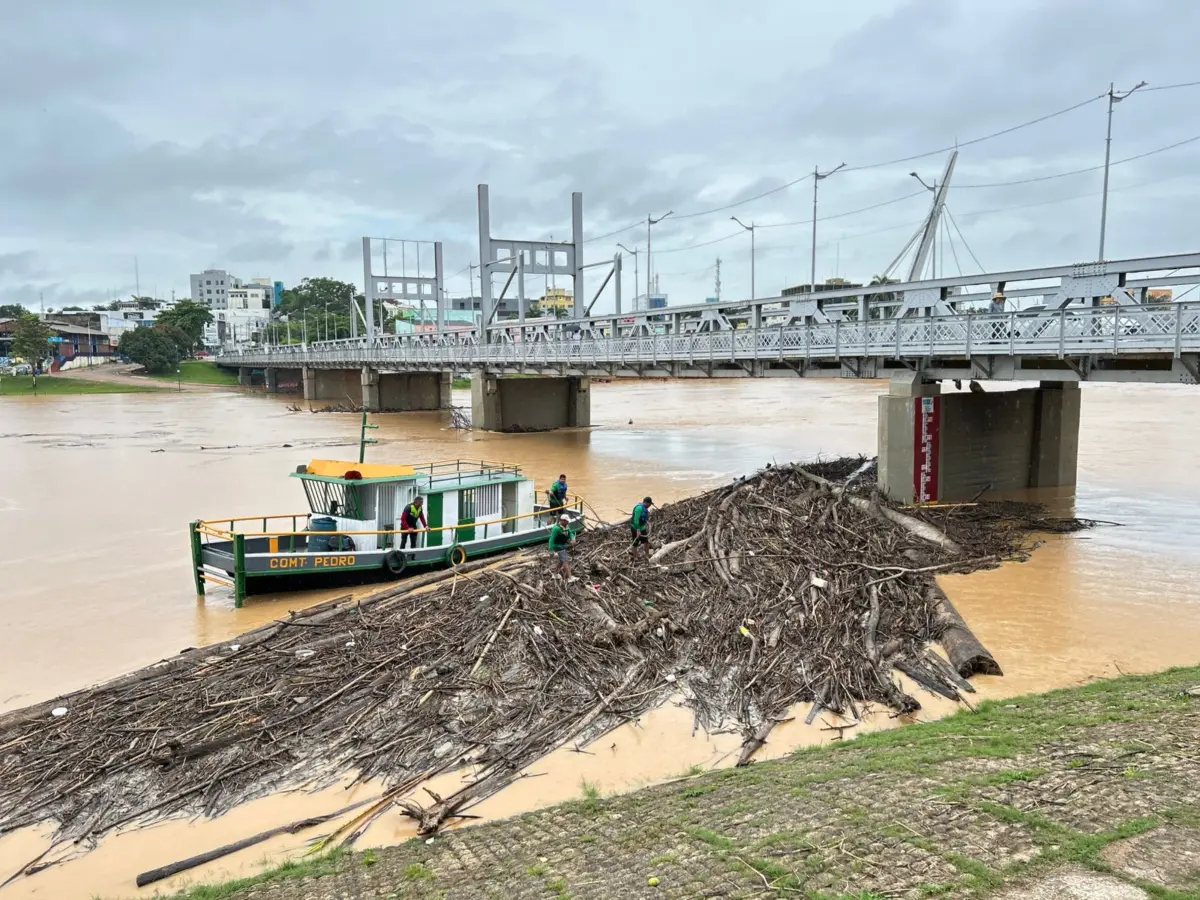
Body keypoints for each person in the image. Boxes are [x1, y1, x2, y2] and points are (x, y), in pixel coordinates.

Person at [548, 513, 576, 580]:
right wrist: (551, 550)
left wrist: (573, 538)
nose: (568, 522)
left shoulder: (566, 527)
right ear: (563, 520)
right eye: (567, 521)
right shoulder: (556, 528)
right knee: (565, 561)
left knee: (561, 560)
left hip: (563, 545)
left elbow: (570, 534)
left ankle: (555, 574)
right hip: (558, 546)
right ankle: (570, 577)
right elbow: (551, 539)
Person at [630, 496, 654, 560]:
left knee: (646, 541)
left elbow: (643, 517)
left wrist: (647, 522)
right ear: (646, 503)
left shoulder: (645, 508)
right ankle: (635, 557)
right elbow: (636, 520)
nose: (650, 506)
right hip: (635, 527)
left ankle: (647, 555)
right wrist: (637, 530)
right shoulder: (639, 508)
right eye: (649, 504)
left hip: (642, 527)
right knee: (635, 542)